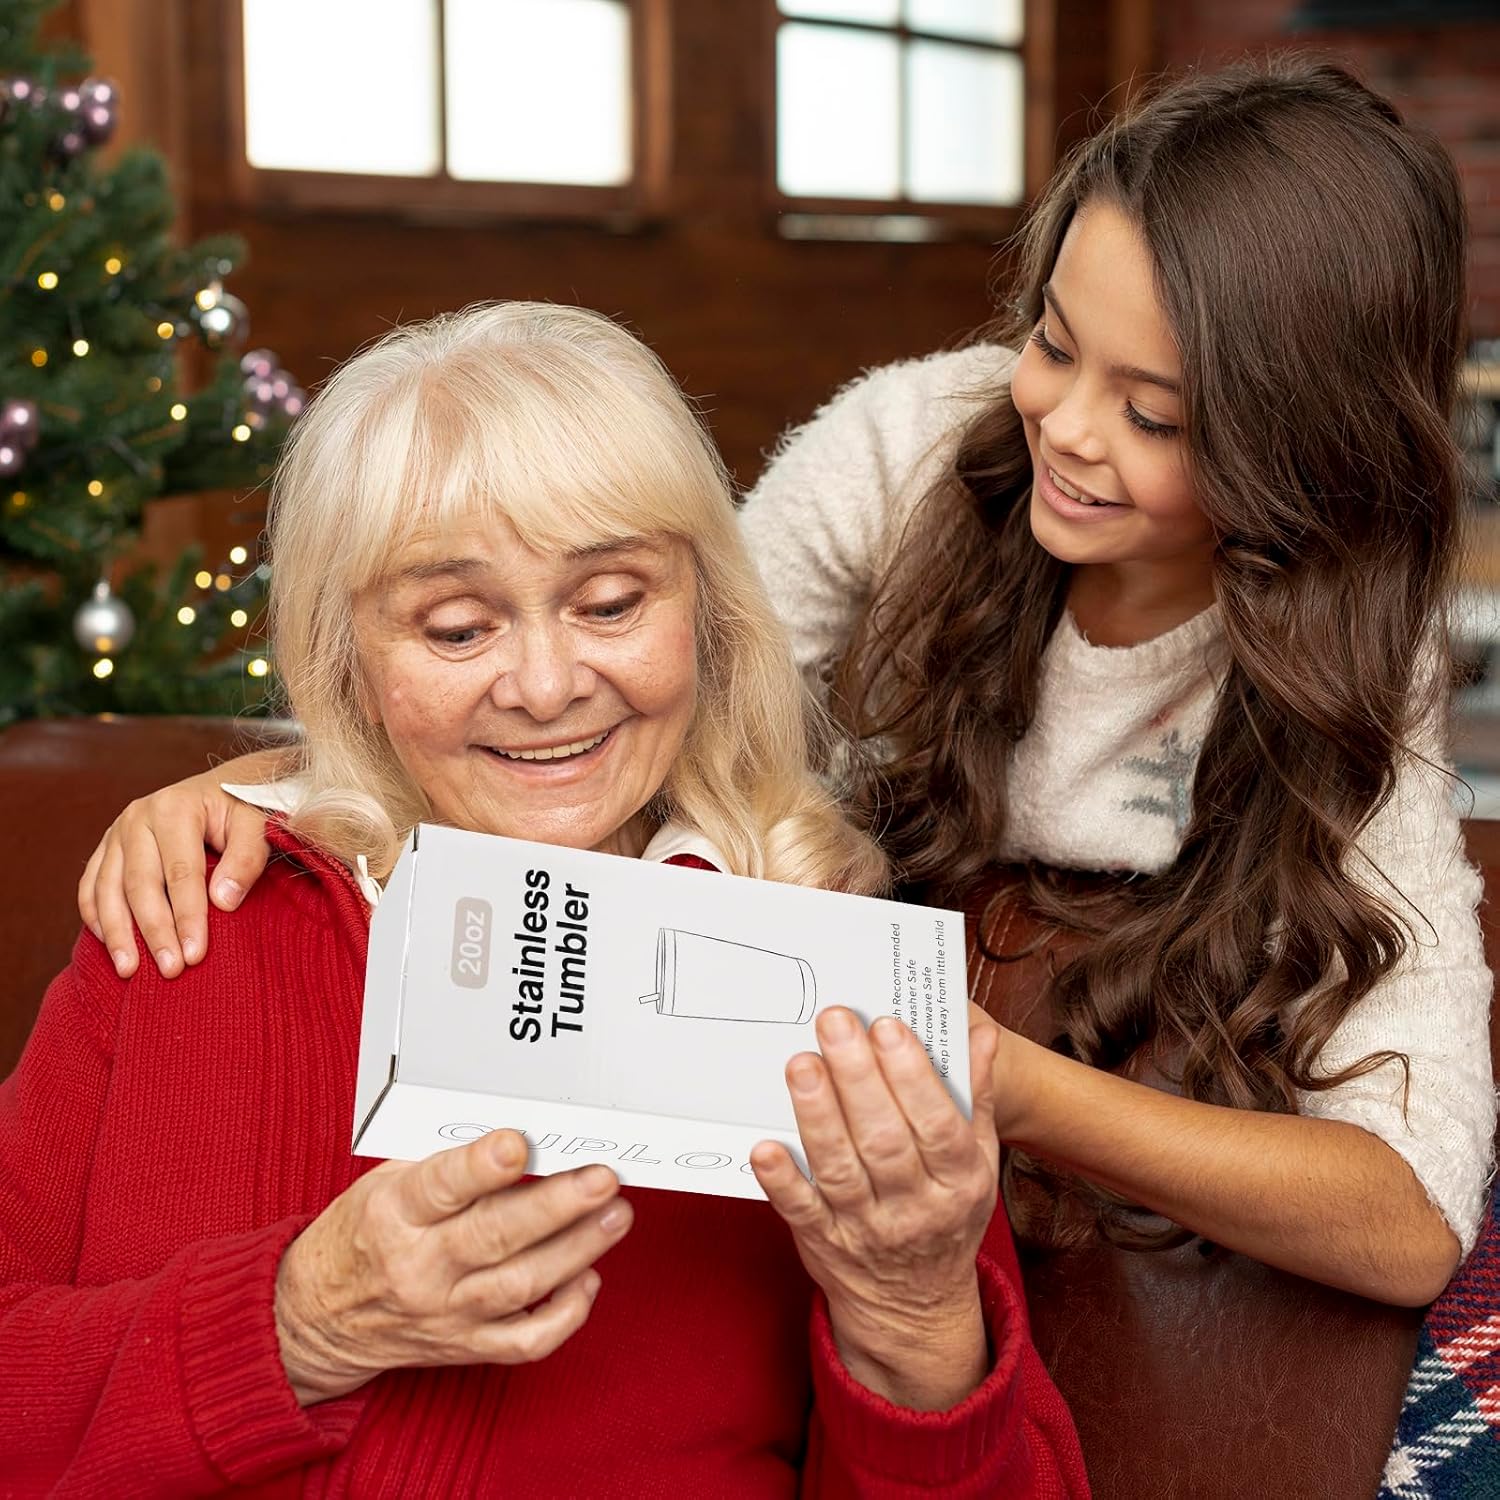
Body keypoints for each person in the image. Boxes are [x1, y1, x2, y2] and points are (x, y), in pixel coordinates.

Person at [83, 58, 1494, 1310]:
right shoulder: (916, 445)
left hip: (1013, 1119)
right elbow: (636, 682)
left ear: (1300, 443)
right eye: (1054, 346)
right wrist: (263, 782)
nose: (1061, 425)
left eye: (1154, 415)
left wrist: (993, 1080)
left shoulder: (1352, 657)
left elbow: (1414, 1223)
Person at [1, 303, 1087, 1495]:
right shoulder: (190, 914)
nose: (545, 685)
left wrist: (914, 1321)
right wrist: (295, 1322)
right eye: (457, 627)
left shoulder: (829, 993)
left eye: (612, 604)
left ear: (708, 622)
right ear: (346, 658)